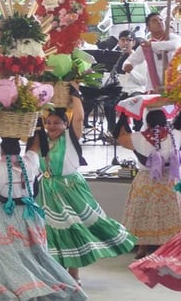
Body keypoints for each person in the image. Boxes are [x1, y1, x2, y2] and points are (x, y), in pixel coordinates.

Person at [0, 122, 87, 301]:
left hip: (1, 219)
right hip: (28, 217)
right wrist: (36, 125)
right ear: (19, 149)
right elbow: (34, 146)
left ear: (0, 150)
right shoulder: (29, 163)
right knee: (27, 260)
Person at [37, 97, 135, 281]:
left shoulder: (70, 139)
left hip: (70, 189)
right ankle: (56, 273)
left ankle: (74, 274)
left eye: (57, 123)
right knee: (51, 232)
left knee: (74, 229)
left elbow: (79, 119)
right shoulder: (41, 139)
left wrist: (75, 94)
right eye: (48, 122)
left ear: (66, 124)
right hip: (46, 191)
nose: (51, 126)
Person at [116, 107, 181, 258]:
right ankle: (172, 248)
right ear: (165, 120)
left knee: (143, 214)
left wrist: (124, 116)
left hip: (146, 180)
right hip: (170, 180)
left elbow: (120, 137)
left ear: (147, 122)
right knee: (173, 214)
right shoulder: (175, 135)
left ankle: (142, 249)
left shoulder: (139, 138)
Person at [123, 13, 181, 93]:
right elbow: (131, 60)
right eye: (155, 21)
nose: (159, 22)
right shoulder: (145, 46)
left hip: (175, 85)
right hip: (154, 87)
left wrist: (151, 45)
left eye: (161, 20)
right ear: (148, 27)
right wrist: (127, 65)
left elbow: (175, 45)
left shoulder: (172, 37)